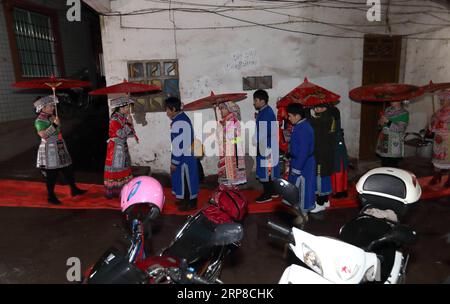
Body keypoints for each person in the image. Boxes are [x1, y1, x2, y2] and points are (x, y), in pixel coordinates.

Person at [34, 95, 86, 205]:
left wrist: (57, 123)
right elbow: (43, 135)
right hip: (50, 149)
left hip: (60, 145)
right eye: (50, 106)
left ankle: (74, 189)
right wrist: (54, 125)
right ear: (43, 108)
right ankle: (51, 196)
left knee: (68, 168)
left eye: (53, 105)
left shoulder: (52, 116)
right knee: (52, 173)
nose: (53, 107)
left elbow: (58, 129)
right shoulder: (39, 120)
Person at [165, 96, 199, 211]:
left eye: (167, 109)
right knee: (187, 178)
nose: (167, 112)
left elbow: (178, 145)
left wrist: (174, 162)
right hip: (187, 155)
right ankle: (186, 200)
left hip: (184, 157)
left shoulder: (179, 122)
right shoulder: (182, 118)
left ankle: (190, 203)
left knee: (186, 179)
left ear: (174, 109)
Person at [104, 96, 138, 199]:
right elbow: (121, 134)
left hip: (122, 146)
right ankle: (115, 191)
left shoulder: (122, 117)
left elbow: (130, 134)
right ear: (121, 108)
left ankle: (124, 190)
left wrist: (130, 123)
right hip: (115, 149)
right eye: (127, 107)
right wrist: (128, 124)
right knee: (117, 167)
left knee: (124, 167)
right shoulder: (115, 119)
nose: (128, 109)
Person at [286, 103, 317, 214]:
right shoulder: (300, 126)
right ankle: (298, 207)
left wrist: (297, 167)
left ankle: (303, 212)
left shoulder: (304, 128)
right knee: (297, 186)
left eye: (290, 116)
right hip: (299, 161)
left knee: (304, 186)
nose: (288, 118)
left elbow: (304, 151)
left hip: (304, 163)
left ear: (297, 116)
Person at [253, 89, 280, 203]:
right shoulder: (265, 111)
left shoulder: (267, 113)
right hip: (266, 144)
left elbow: (266, 130)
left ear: (262, 101)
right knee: (268, 169)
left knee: (266, 170)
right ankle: (273, 192)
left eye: (255, 100)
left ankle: (267, 194)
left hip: (267, 145)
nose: (254, 103)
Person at [308, 104, 336, 213]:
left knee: (320, 176)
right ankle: (325, 200)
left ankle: (320, 203)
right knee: (325, 176)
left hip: (322, 153)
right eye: (315, 107)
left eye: (319, 107)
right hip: (326, 152)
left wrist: (306, 112)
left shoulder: (325, 119)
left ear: (325, 107)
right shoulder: (329, 117)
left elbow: (314, 124)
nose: (316, 109)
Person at [217, 101, 247, 186]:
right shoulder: (227, 121)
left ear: (228, 109)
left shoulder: (231, 121)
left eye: (222, 108)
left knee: (231, 177)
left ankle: (232, 195)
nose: (221, 111)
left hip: (232, 152)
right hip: (229, 151)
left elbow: (233, 138)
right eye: (220, 109)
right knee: (230, 177)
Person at [375, 101, 409, 168]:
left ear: (400, 100)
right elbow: (381, 126)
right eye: (391, 99)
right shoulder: (387, 110)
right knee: (384, 162)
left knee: (392, 164)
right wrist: (380, 123)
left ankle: (392, 177)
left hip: (394, 142)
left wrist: (387, 121)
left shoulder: (404, 113)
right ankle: (384, 177)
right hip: (385, 139)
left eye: (395, 99)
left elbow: (400, 128)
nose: (392, 101)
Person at [428, 90, 450, 186]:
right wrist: (432, 122)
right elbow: (432, 124)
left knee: (448, 158)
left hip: (448, 138)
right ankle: (437, 175)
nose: (441, 101)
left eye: (444, 100)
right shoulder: (438, 112)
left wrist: (443, 125)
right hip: (438, 138)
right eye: (441, 100)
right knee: (437, 158)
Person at [329, 105, 349, 198]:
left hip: (337, 144)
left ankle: (339, 191)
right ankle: (342, 190)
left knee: (338, 168)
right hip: (337, 142)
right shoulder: (333, 111)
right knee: (339, 168)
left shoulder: (333, 112)